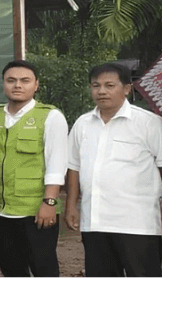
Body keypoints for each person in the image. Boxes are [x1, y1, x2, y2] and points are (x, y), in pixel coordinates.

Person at [66, 62, 162, 277]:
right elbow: (74, 166)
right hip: (95, 222)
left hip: (138, 224)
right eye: (95, 85)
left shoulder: (148, 123)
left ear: (126, 88)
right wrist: (71, 205)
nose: (101, 91)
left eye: (109, 85)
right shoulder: (83, 124)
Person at [0, 60, 68, 277]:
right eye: (11, 80)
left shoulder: (50, 116)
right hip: (1, 209)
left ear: (36, 85)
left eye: (24, 81)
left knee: (43, 267)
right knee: (11, 268)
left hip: (36, 210)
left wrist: (49, 202)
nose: (17, 85)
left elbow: (57, 163)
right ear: (3, 84)